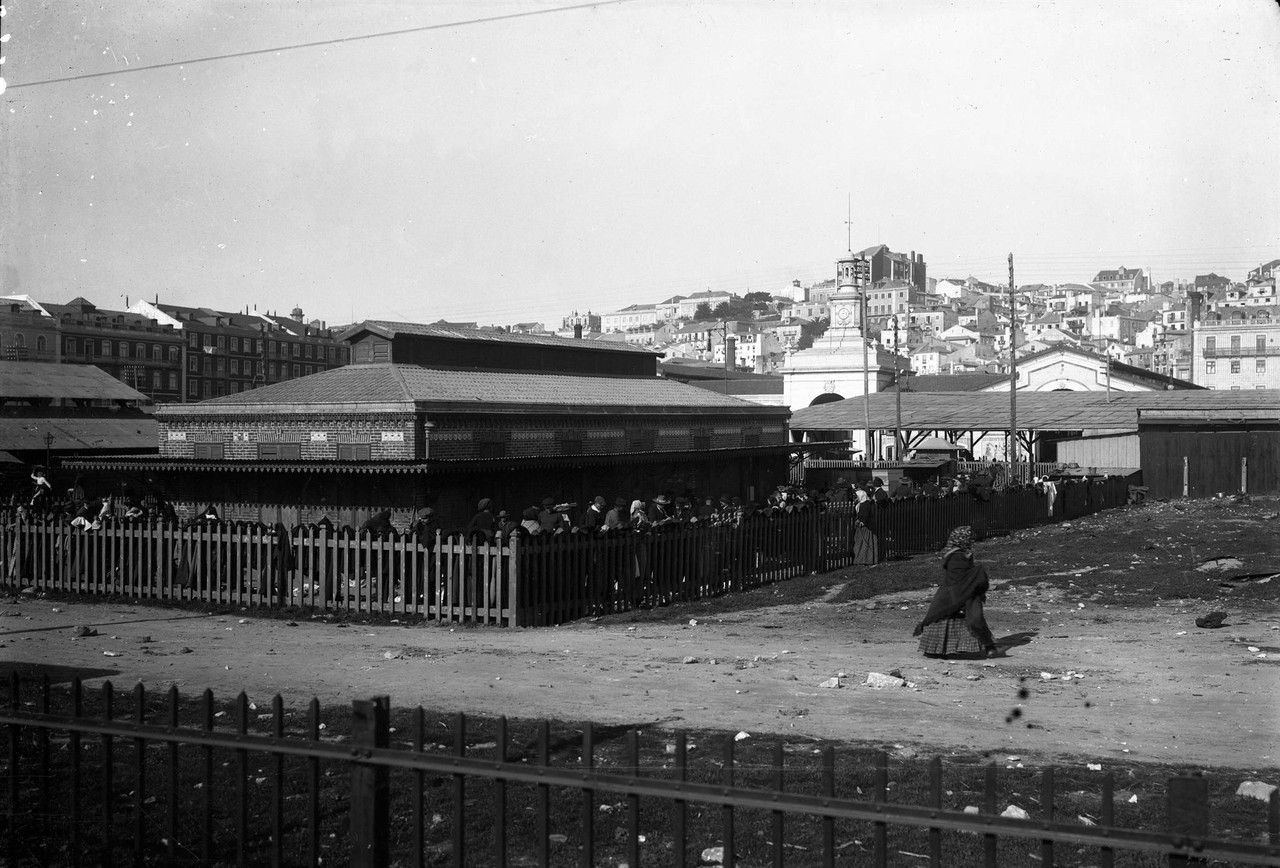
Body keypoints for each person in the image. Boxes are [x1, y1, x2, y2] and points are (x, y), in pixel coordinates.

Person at [912, 526, 1001, 659]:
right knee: (969, 617)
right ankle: (987, 646)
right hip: (955, 592)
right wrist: (978, 573)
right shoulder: (956, 556)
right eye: (970, 537)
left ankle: (987, 646)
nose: (972, 539)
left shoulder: (963, 553)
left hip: (961, 590)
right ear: (963, 539)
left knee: (973, 618)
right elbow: (959, 576)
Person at [851, 488, 881, 565]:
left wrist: (861, 521)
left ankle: (864, 560)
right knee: (861, 543)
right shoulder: (862, 504)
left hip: (865, 527)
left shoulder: (865, 504)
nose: (855, 498)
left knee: (863, 543)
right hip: (865, 526)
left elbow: (865, 515)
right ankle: (862, 559)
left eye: (857, 496)